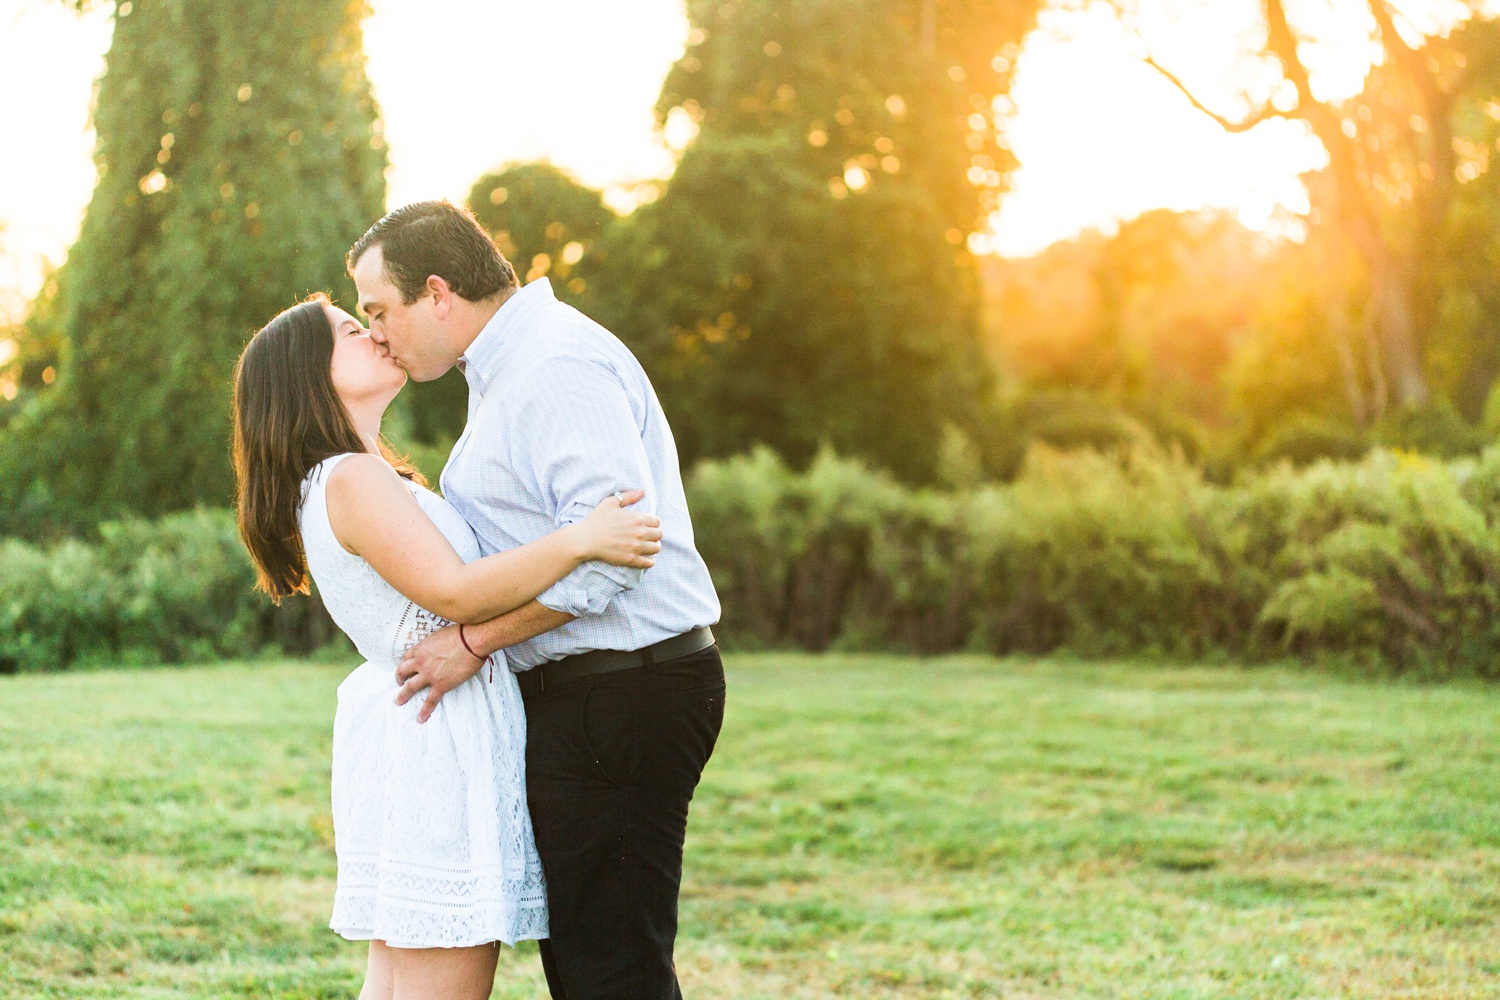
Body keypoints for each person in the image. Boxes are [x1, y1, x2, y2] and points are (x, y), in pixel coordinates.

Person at [231, 294, 664, 1000]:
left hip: (418, 729)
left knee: (401, 980)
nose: (374, 333)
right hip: (437, 736)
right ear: (308, 374)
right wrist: (582, 538)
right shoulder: (352, 477)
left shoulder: (348, 476)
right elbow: (458, 593)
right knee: (440, 982)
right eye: (350, 329)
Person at [347, 200, 724, 1000]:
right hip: (595, 693)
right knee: (594, 963)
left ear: (438, 293)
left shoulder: (552, 365)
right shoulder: (507, 370)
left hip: (622, 688)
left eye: (380, 311)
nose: (376, 333)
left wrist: (475, 642)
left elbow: (618, 554)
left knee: (611, 970)